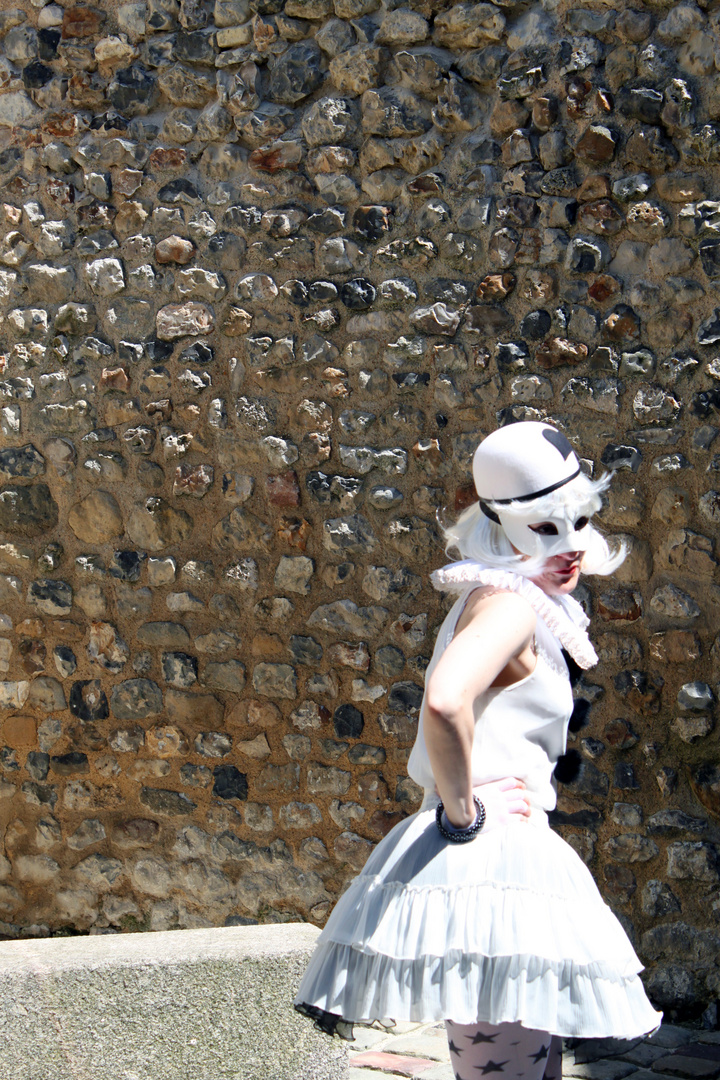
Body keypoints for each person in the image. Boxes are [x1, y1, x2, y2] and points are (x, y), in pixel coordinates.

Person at [294, 421, 662, 1077]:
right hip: (492, 860)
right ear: (502, 524)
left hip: (499, 859)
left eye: (578, 519)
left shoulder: (503, 596)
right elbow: (443, 698)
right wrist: (466, 814)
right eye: (547, 528)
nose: (572, 546)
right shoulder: (512, 605)